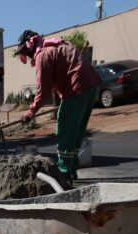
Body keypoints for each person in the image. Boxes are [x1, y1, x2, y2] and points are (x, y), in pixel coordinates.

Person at [14, 30, 101, 183]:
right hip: (91, 85)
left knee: (65, 129)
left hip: (77, 88)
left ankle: (65, 172)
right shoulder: (57, 45)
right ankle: (72, 168)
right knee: (75, 130)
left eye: (25, 51)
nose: (26, 56)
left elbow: (43, 90)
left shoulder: (43, 55)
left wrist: (30, 112)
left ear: (29, 46)